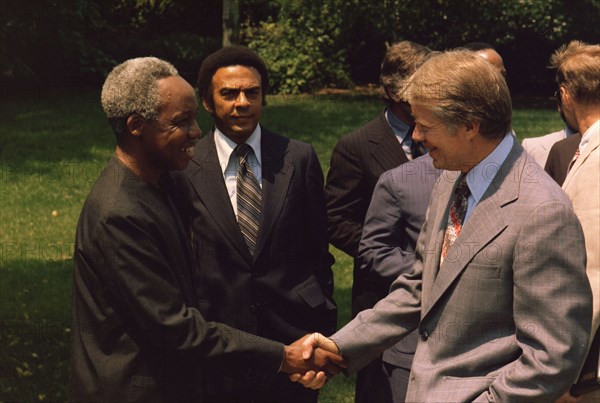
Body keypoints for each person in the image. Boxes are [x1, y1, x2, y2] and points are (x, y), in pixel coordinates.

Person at [294, 50, 593, 402]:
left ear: (470, 125)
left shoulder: (542, 212)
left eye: (426, 124)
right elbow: (420, 289)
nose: (416, 135)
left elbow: (554, 357)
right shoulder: (451, 178)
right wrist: (339, 346)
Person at [69, 57, 345, 403]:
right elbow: (174, 328)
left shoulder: (152, 189)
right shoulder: (120, 213)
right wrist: (284, 357)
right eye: (181, 122)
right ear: (136, 125)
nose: (197, 133)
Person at [167, 46, 336, 402]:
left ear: (263, 97)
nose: (242, 102)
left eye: (252, 92)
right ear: (208, 102)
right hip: (218, 344)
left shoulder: (298, 157)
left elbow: (318, 251)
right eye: (228, 94)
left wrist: (323, 327)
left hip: (292, 340)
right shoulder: (183, 166)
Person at [323, 41, 431, 402]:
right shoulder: (357, 146)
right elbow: (337, 219)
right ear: (391, 91)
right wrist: (392, 258)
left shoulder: (442, 135)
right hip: (382, 290)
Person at [356, 153, 441, 402]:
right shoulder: (400, 181)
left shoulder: (517, 177)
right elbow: (374, 249)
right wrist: (432, 271)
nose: (417, 134)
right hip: (414, 347)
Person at [549, 40, 600, 403]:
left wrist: (562, 372)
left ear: (566, 95)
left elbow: (592, 276)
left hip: (588, 369)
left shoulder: (596, 162)